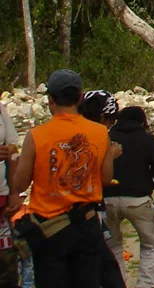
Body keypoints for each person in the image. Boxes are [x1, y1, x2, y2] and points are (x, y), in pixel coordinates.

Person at [5, 69, 117, 288]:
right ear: (80, 97)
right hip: (87, 225)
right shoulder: (99, 132)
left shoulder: (37, 135)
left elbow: (20, 184)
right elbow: (106, 179)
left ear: (50, 100)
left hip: (50, 229)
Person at [105, 106, 154, 288]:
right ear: (143, 122)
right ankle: (146, 285)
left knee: (112, 246)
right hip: (138, 200)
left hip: (107, 199)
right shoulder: (148, 140)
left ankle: (116, 284)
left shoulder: (106, 137)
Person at [0, 100, 19, 288]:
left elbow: (13, 150)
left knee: (7, 269)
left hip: (2, 199)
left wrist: (15, 193)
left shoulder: (0, 109)